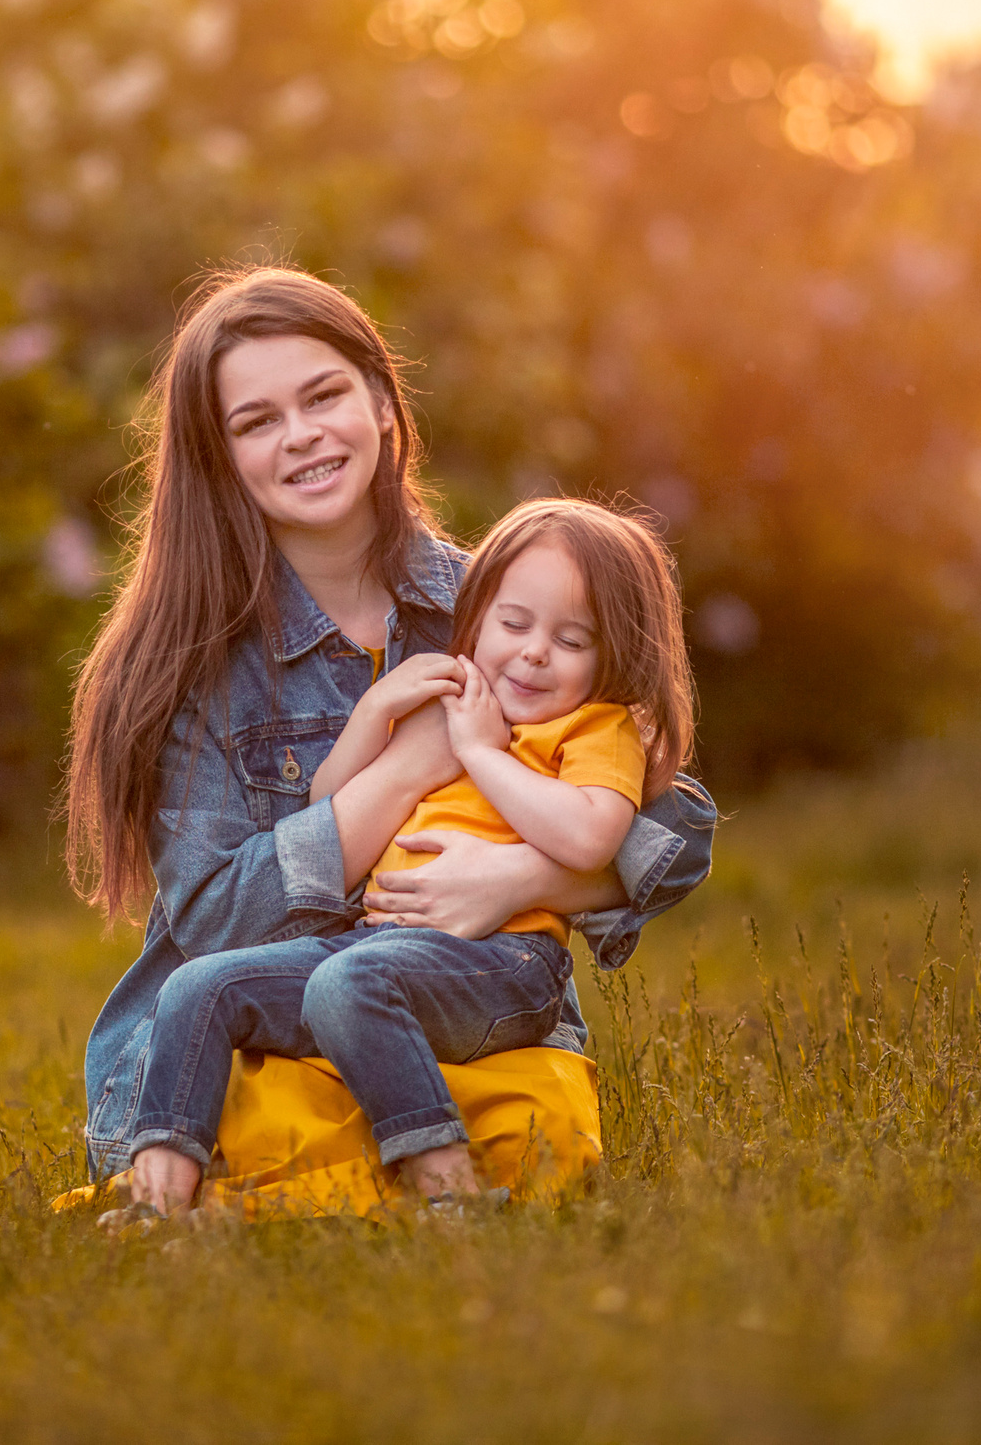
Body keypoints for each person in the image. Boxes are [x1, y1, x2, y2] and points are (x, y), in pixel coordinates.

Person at [62, 264, 716, 1212]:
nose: (302, 436)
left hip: (443, 1014)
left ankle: (365, 1186)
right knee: (266, 1107)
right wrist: (412, 766)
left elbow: (678, 829)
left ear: (378, 399)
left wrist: (525, 879)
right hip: (252, 1030)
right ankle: (207, 1195)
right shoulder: (186, 658)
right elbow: (214, 921)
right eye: (256, 421)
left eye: (323, 394)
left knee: (512, 1114)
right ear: (220, 454)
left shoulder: (496, 609)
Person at [118, 498, 697, 1215]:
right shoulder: (457, 696)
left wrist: (483, 757)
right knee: (199, 987)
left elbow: (589, 836)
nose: (534, 651)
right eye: (514, 624)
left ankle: (447, 1192)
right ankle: (156, 1205)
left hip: (504, 961)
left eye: (572, 639)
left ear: (615, 656)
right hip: (375, 945)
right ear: (477, 614)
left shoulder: (594, 728)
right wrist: (374, 718)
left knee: (347, 984)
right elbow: (326, 805)